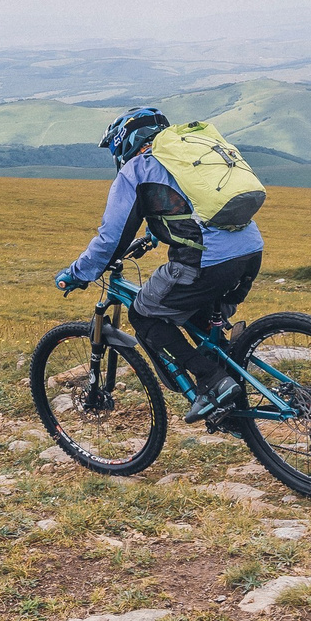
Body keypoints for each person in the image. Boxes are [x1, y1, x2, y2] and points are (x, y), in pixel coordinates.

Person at [54, 107, 263, 427]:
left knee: (144, 314)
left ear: (124, 142)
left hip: (208, 261)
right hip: (250, 252)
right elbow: (187, 205)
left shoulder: (137, 168)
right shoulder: (182, 158)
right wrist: (152, 236)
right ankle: (231, 390)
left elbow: (110, 239)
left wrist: (79, 272)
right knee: (198, 316)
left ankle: (213, 383)